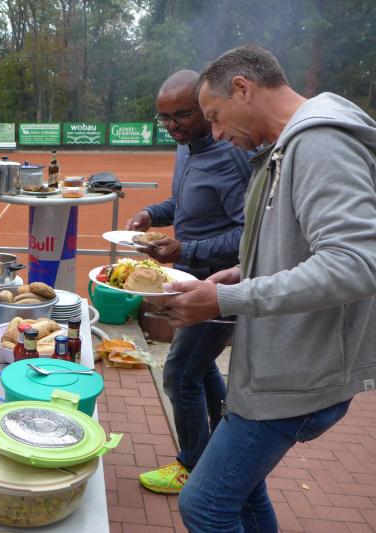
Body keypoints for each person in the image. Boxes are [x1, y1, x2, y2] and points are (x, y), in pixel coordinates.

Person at [152, 45, 376, 532]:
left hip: (296, 379)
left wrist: (227, 298)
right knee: (244, 494)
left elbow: (355, 264)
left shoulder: (320, 143)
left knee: (204, 506)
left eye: (214, 116)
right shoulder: (285, 147)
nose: (214, 133)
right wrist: (244, 271)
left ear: (242, 89)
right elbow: (300, 249)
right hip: (274, 371)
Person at [127, 70, 251, 495]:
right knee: (200, 366)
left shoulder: (231, 155)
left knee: (180, 374)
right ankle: (218, 448)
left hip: (217, 287)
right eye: (163, 117)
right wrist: (151, 213)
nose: (172, 126)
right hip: (188, 281)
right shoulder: (186, 148)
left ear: (204, 107)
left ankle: (193, 467)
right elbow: (184, 204)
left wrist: (186, 250)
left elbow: (248, 233)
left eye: (181, 115)